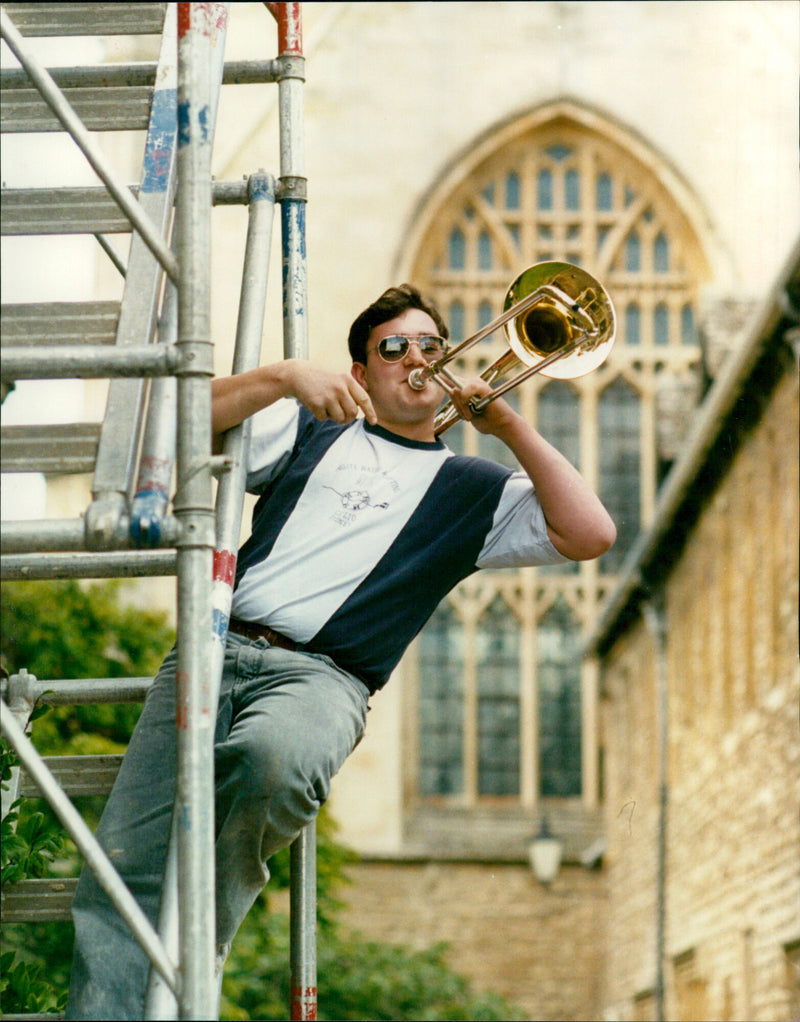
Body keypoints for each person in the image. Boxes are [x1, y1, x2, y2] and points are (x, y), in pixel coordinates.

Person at [65, 284, 615, 1018]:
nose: (417, 359)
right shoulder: (311, 431)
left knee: (274, 762)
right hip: (213, 647)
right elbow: (170, 428)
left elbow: (592, 533)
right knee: (121, 869)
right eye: (395, 348)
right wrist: (283, 376)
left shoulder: (474, 487)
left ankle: (192, 942)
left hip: (323, 679)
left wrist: (506, 422)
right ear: (362, 372)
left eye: (431, 345)